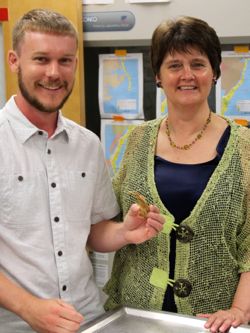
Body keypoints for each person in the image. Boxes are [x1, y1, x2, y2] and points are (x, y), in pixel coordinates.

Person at [0, 8, 165, 333]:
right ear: (14, 61)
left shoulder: (87, 145)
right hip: (16, 324)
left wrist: (124, 232)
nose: (53, 72)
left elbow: (92, 231)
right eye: (41, 59)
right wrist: (27, 307)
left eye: (65, 61)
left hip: (89, 319)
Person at [103, 16, 250, 333]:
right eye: (174, 65)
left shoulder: (244, 148)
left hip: (213, 321)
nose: (187, 75)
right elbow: (113, 222)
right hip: (137, 315)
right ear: (158, 75)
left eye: (198, 64)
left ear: (214, 72)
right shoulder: (137, 140)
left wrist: (239, 310)